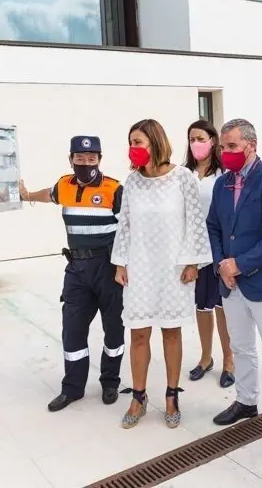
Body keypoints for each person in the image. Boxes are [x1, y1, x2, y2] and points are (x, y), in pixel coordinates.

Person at [111, 118, 212, 430]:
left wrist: (193, 262)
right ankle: (138, 397)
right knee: (138, 332)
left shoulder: (182, 178)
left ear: (155, 142)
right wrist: (120, 263)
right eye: (131, 143)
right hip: (139, 266)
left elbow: (195, 221)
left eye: (138, 142)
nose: (133, 149)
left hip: (174, 268)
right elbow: (124, 223)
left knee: (171, 331)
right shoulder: (132, 182)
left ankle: (171, 395)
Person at [206, 118, 262, 445]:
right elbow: (214, 227)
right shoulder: (222, 184)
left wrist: (239, 264)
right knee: (241, 347)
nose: (225, 152)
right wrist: (221, 265)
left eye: (231, 146)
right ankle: (246, 400)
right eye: (223, 147)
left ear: (251, 146)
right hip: (231, 285)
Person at [19, 136, 125, 413]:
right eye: (80, 158)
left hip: (108, 268)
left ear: (100, 159)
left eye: (92, 158)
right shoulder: (64, 184)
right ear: (71, 159)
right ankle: (73, 388)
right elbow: (49, 195)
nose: (86, 163)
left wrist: (125, 265)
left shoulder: (114, 189)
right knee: (73, 330)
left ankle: (110, 382)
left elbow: (129, 228)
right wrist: (27, 195)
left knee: (113, 329)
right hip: (76, 269)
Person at [184, 120, 235, 388]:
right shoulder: (184, 173)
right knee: (201, 306)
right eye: (191, 139)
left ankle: (229, 360)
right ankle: (206, 358)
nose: (195, 144)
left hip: (219, 248)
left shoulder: (224, 173)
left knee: (221, 306)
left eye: (200, 138)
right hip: (194, 250)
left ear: (213, 140)